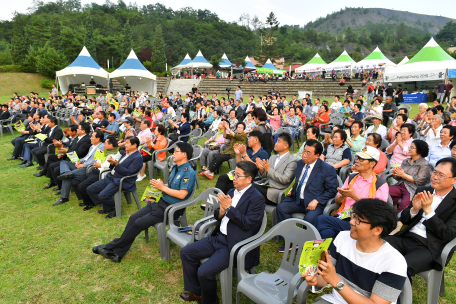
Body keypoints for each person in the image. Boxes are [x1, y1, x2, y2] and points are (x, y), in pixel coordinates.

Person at [93, 142, 196, 262]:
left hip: (170, 209)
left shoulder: (188, 172)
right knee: (133, 218)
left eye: (176, 151)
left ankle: (110, 247)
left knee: (138, 223)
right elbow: (173, 186)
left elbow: (182, 194)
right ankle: (117, 253)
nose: (173, 153)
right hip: (160, 202)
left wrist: (162, 188)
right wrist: (162, 185)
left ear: (184, 155)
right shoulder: (175, 168)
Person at [179, 161, 264, 304]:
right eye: (234, 174)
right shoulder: (231, 191)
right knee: (186, 252)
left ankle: (211, 301)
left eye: (237, 175)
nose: (234, 178)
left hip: (234, 244)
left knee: (204, 272)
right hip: (218, 238)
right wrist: (222, 211)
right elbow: (218, 214)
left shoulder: (257, 198)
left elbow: (248, 224)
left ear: (249, 179)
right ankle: (198, 292)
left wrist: (229, 209)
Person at [303, 199, 406, 304]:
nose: (351, 222)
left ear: (377, 230)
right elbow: (325, 279)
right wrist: (315, 279)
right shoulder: (343, 238)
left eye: (359, 220)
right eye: (353, 216)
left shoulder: (394, 262)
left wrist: (336, 281)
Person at [385, 157, 456, 282]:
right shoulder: (424, 190)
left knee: (399, 268)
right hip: (407, 237)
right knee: (376, 251)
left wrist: (428, 211)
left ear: (454, 180)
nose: (435, 177)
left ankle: (397, 299)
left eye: (441, 175)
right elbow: (405, 220)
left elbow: (447, 234)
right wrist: (414, 210)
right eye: (435, 172)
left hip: (430, 247)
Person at [276, 140, 338, 250]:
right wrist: (292, 189)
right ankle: (291, 239)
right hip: (298, 199)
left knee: (309, 219)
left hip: (314, 202)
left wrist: (317, 200)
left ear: (317, 155)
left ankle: (302, 242)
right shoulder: (300, 163)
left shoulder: (327, 169)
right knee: (281, 208)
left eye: (308, 153)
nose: (304, 155)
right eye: (304, 151)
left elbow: (332, 190)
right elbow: (299, 180)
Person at [315, 146, 389, 239]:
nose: (357, 161)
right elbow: (337, 201)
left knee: (321, 219)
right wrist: (343, 195)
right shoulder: (351, 178)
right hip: (343, 217)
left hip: (361, 222)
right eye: (358, 158)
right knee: (327, 232)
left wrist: (355, 196)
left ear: (372, 163)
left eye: (362, 160)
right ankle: (330, 252)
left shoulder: (380, 184)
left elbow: (378, 211)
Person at [86, 137, 143, 218]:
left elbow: (129, 173)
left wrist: (116, 164)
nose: (125, 145)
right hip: (112, 176)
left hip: (121, 180)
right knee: (90, 189)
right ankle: (110, 206)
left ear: (134, 145)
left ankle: (115, 208)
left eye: (127, 143)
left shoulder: (137, 157)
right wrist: (112, 162)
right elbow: (115, 166)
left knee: (102, 195)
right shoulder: (126, 153)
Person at [53, 130, 105, 206]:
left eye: (92, 137)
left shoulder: (102, 147)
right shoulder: (92, 146)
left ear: (97, 139)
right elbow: (86, 157)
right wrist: (79, 161)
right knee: (64, 162)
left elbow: (95, 160)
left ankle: (64, 197)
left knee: (68, 176)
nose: (90, 138)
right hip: (82, 164)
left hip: (87, 168)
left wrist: (83, 165)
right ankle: (66, 173)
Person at [72, 137, 122, 211]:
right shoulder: (106, 151)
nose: (104, 145)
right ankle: (87, 199)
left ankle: (90, 202)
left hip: (101, 173)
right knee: (75, 181)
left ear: (111, 145)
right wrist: (96, 163)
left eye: (105, 144)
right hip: (94, 170)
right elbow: (98, 159)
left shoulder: (116, 154)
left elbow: (111, 166)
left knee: (82, 186)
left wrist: (100, 165)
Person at [390, 140, 433, 213]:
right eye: (409, 147)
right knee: (385, 191)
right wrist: (396, 174)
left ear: (419, 150)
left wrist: (403, 175)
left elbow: (420, 181)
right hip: (401, 185)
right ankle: (385, 212)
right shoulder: (406, 161)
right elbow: (399, 176)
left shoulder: (425, 164)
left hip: (413, 189)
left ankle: (399, 219)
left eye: (412, 147)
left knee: (404, 203)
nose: (409, 149)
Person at [254, 133, 298, 205]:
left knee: (250, 189)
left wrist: (268, 169)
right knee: (248, 187)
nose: (275, 143)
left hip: (276, 191)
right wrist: (261, 169)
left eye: (278, 141)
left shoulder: (292, 160)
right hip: (265, 186)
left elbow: (285, 179)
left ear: (286, 146)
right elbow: (264, 176)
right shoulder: (273, 157)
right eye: (276, 141)